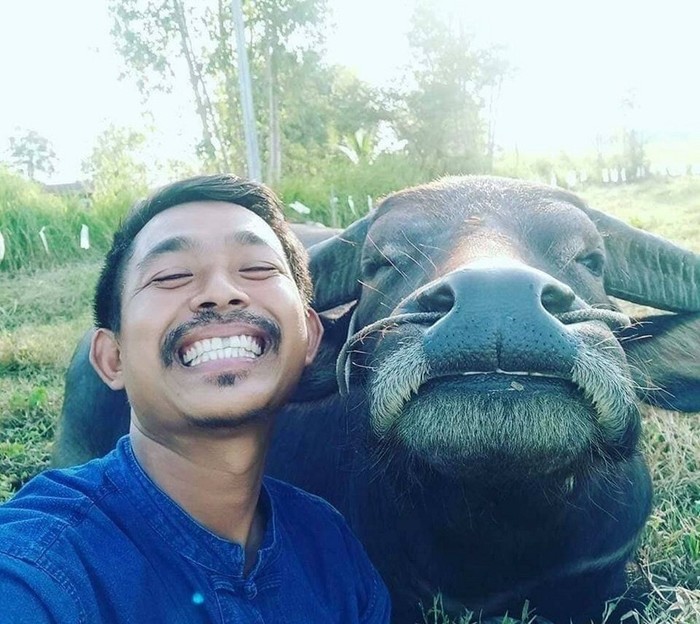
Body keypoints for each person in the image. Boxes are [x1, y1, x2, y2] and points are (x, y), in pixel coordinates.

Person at [0, 174, 391, 623]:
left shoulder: (331, 549)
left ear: (311, 339)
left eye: (259, 269)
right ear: (112, 359)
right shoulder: (43, 568)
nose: (221, 292)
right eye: (171, 275)